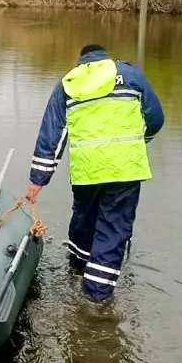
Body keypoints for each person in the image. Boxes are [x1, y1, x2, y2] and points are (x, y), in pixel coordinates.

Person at [25, 44, 164, 302]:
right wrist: (138, 141)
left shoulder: (68, 84)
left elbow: (52, 135)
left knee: (84, 219)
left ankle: (78, 268)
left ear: (81, 62)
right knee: (113, 228)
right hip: (125, 169)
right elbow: (155, 119)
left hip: (86, 170)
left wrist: (37, 179)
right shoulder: (131, 75)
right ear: (105, 58)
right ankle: (95, 299)